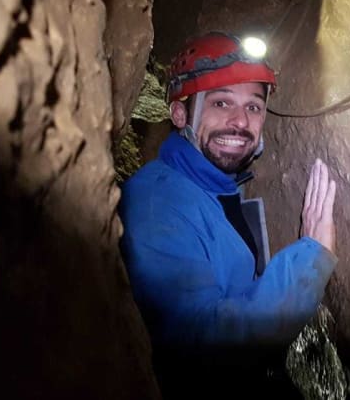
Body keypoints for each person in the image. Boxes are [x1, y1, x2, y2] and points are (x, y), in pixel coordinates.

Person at [118, 31, 337, 397]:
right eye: (221, 104)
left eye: (253, 106)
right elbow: (204, 345)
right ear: (179, 113)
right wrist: (310, 260)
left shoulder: (215, 187)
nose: (240, 121)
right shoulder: (156, 204)